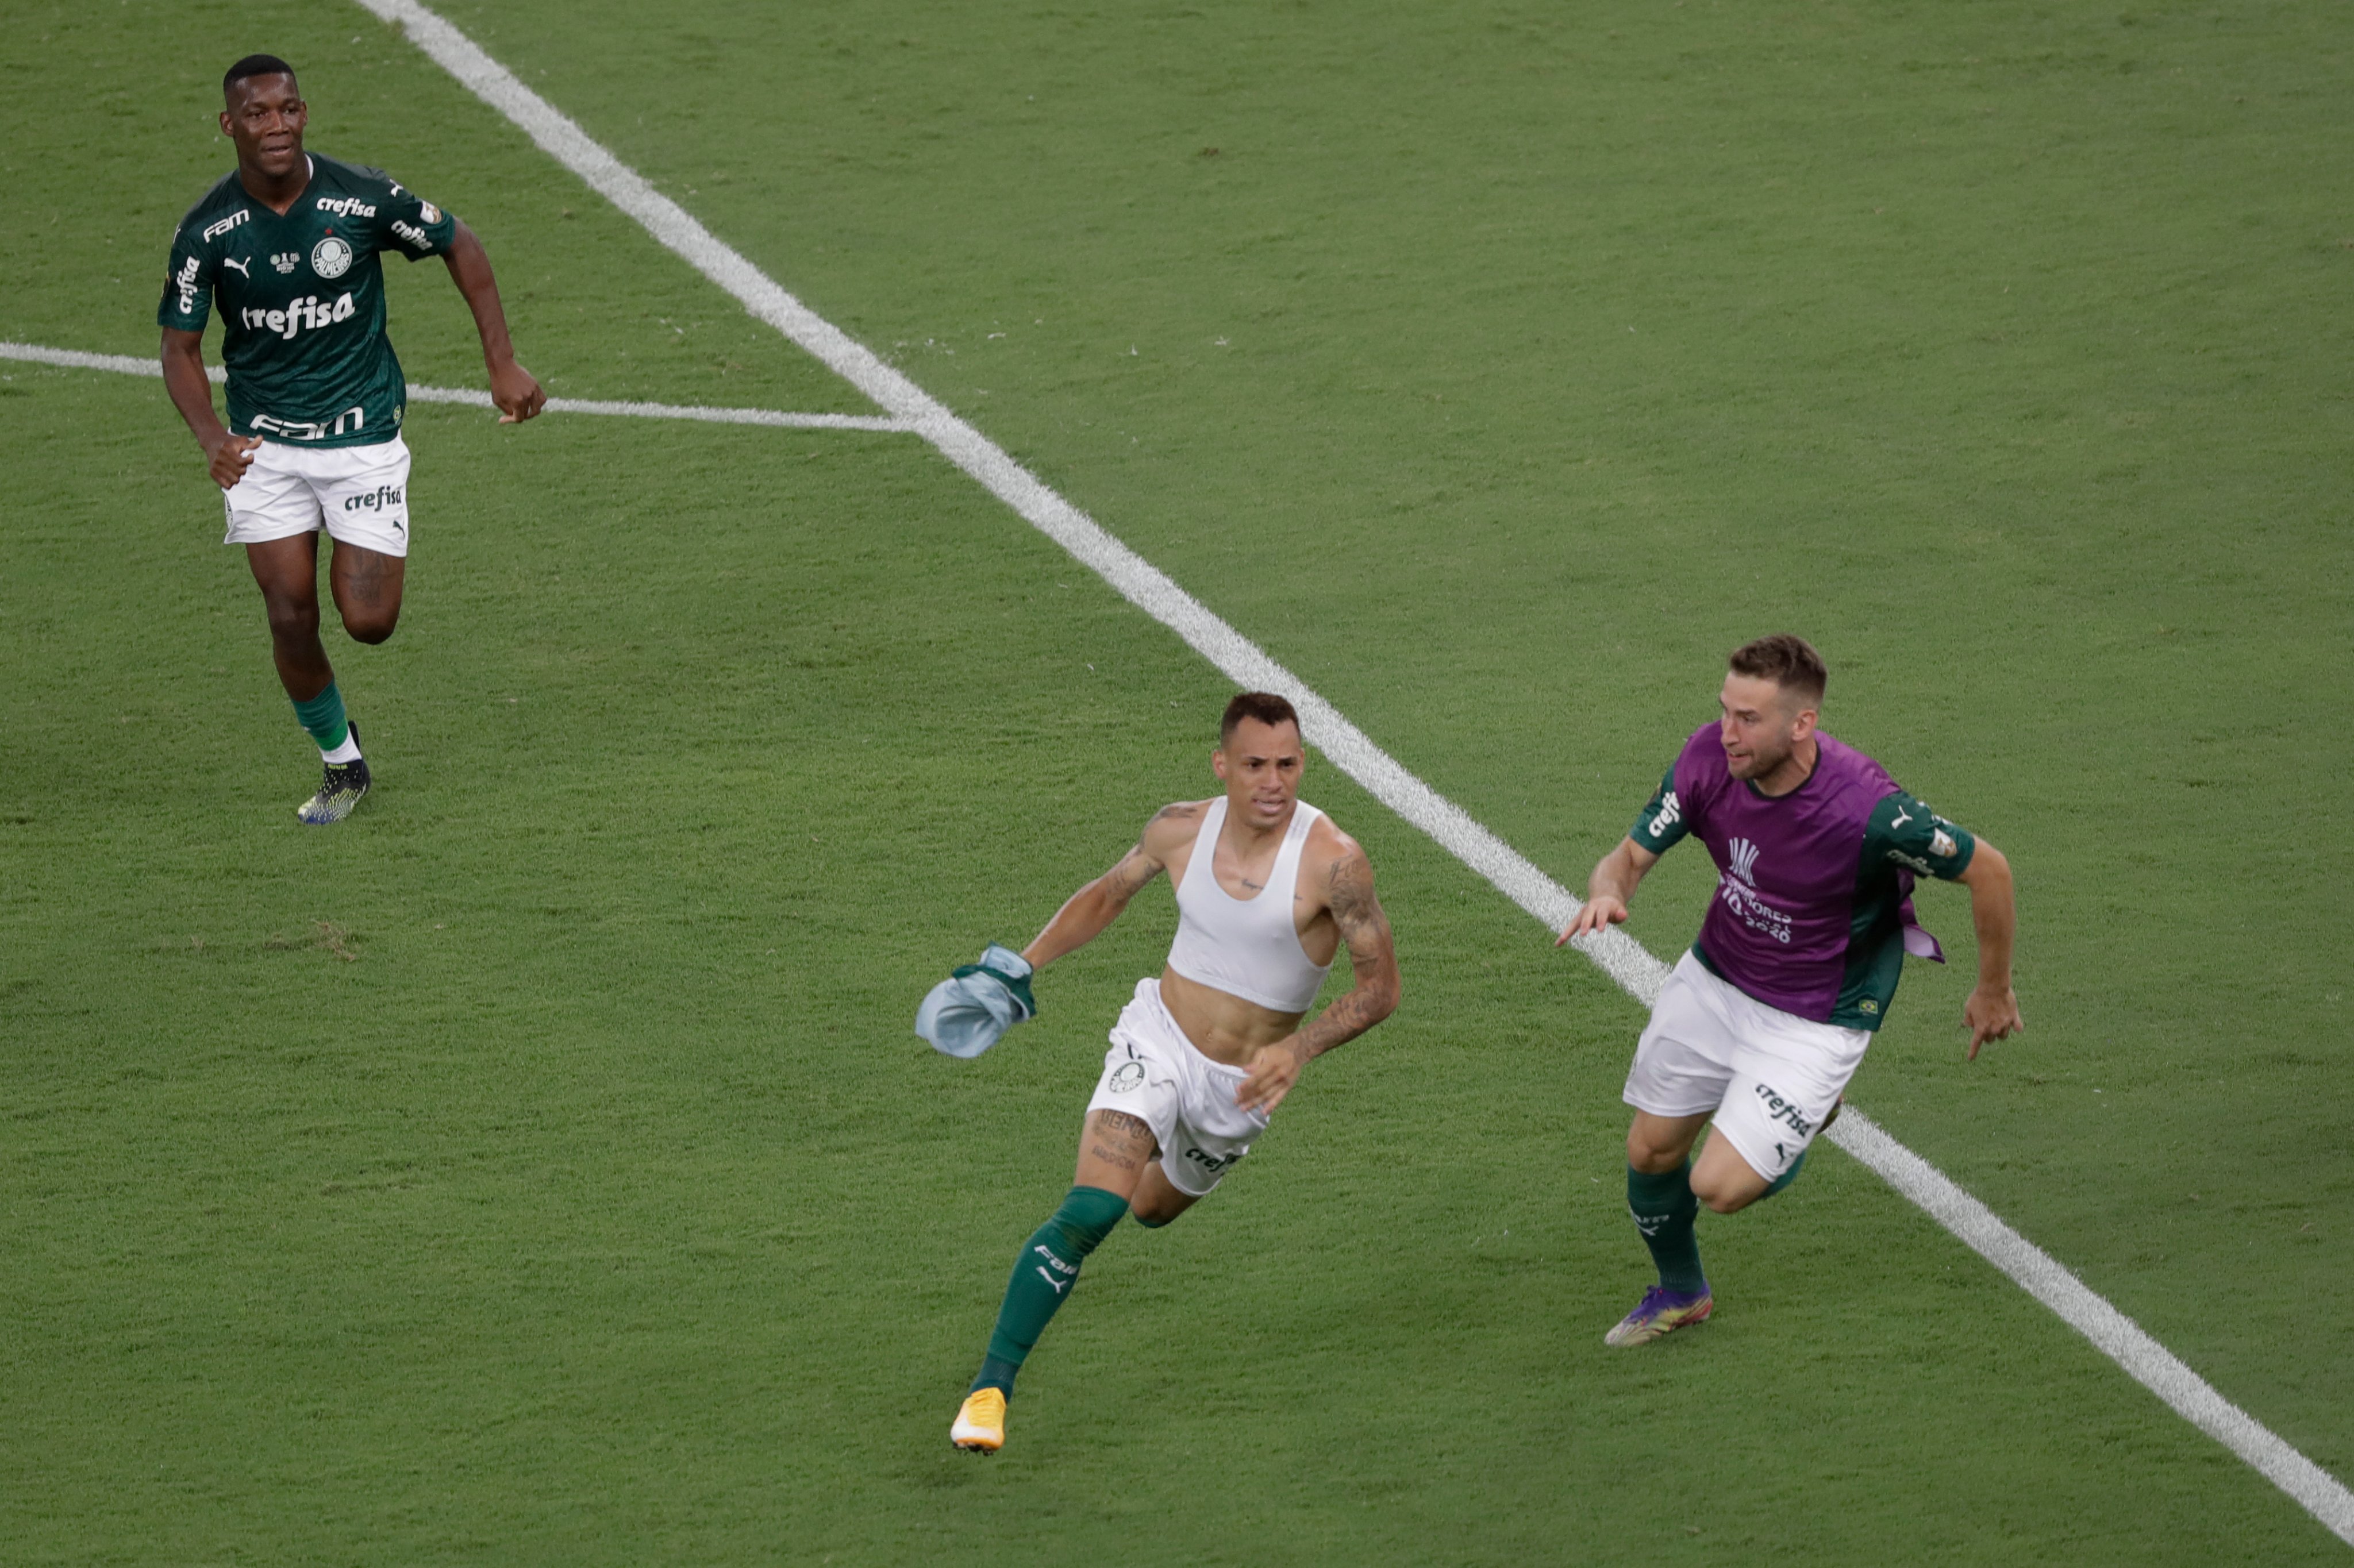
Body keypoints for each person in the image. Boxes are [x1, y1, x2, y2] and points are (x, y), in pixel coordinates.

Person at [925, 692, 1401, 1452]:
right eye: (1254, 765)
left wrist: (1297, 1049)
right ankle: (991, 1390)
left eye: (1287, 763)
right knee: (1094, 1211)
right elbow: (1111, 892)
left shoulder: (1335, 863)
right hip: (1158, 1038)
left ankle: (1152, 1177)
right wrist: (1025, 964)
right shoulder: (1178, 828)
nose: (1273, 781)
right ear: (1223, 765)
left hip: (1238, 1091)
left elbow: (1381, 990)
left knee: (1149, 1208)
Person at [1558, 634, 2021, 1346]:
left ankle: (1811, 1112)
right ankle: (1682, 1291)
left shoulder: (1870, 811)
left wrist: (1993, 989)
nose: (1727, 732)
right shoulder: (1706, 760)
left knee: (1718, 1187)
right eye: (1724, 710)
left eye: (1748, 718)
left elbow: (1988, 869)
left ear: (1801, 724)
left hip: (1817, 1012)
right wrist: (1605, 894)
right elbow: (1626, 859)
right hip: (1717, 976)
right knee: (1650, 1151)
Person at [159, 53, 544, 824]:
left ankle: (351, 586)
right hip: (264, 450)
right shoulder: (207, 232)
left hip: (361, 435)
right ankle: (343, 764)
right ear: (228, 125)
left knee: (368, 621)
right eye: (259, 113)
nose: (277, 125)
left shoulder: (359, 198)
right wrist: (211, 437)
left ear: (304, 114)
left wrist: (501, 362)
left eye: (289, 109)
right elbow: (180, 348)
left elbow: (458, 243)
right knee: (289, 613)